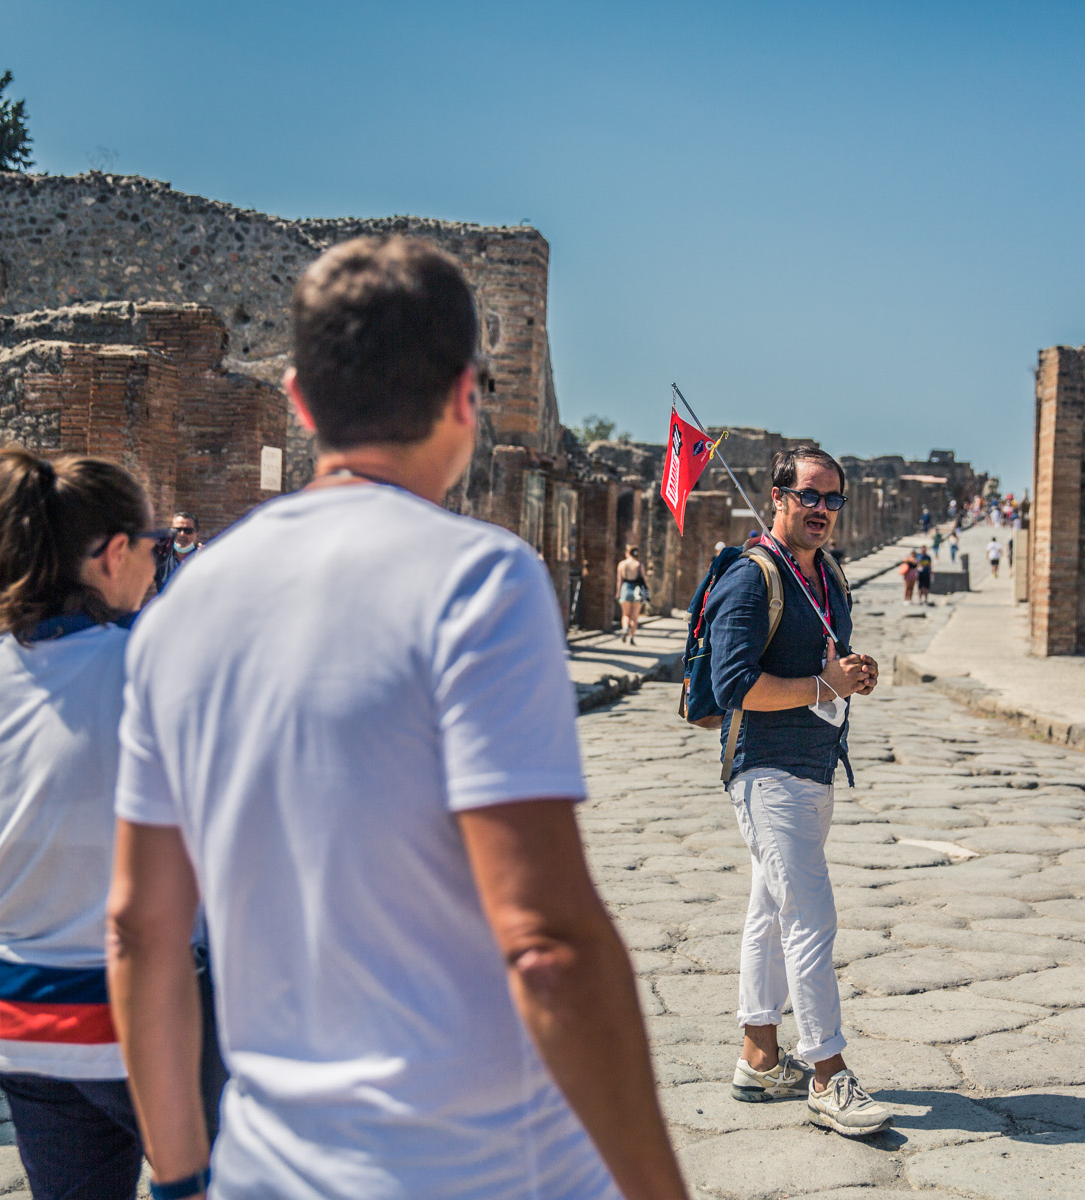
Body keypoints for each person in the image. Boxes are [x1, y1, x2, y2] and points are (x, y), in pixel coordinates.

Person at [106, 236, 684, 1200]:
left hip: (264, 1168)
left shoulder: (183, 608)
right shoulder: (479, 580)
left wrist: (177, 1176)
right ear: (467, 398)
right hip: (481, 1166)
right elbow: (544, 941)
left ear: (298, 397)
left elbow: (137, 928)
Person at [0, 449, 166, 1199]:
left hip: (21, 1018)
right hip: (143, 1015)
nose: (159, 569)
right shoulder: (155, 669)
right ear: (115, 553)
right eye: (158, 549)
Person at [706, 446, 890, 1138]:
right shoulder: (751, 579)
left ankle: (760, 1056)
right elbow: (735, 688)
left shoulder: (829, 576)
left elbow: (822, 667)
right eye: (809, 495)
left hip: (813, 765)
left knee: (769, 908)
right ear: (777, 495)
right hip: (765, 769)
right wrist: (824, 687)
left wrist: (849, 672)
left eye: (832, 499)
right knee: (811, 915)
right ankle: (827, 1074)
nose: (821, 509)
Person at [151, 513, 202, 594]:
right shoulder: (162, 558)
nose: (182, 534)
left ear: (197, 534)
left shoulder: (204, 559)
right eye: (177, 530)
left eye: (188, 531)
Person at [617, 545, 648, 645]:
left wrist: (618, 592)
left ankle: (625, 628)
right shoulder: (639, 564)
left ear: (628, 553)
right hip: (636, 590)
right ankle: (632, 637)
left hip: (625, 588)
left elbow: (619, 580)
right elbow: (644, 579)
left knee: (625, 614)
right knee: (634, 616)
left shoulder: (622, 564)